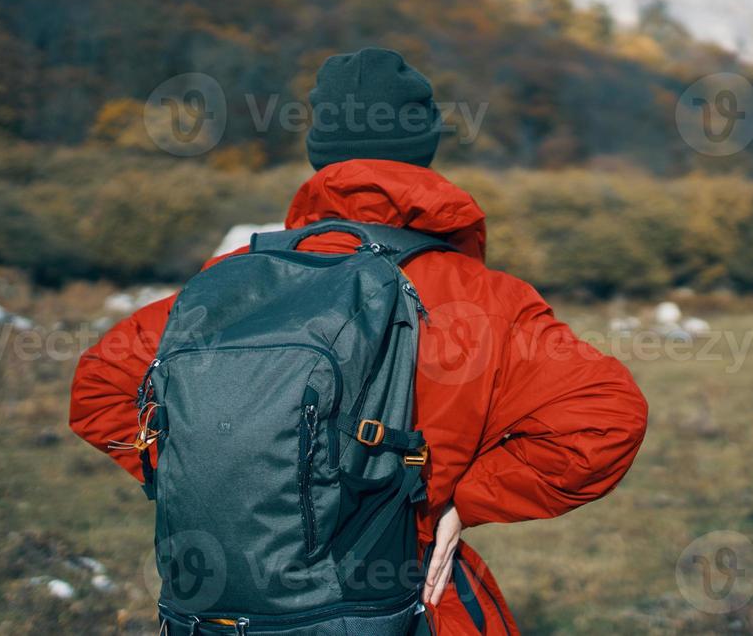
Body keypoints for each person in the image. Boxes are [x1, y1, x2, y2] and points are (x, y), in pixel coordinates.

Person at [70, 47, 649, 633]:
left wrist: (204, 474)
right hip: (396, 601)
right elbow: (603, 422)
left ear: (318, 155)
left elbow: (100, 385)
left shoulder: (230, 280)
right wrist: (462, 503)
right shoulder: (482, 298)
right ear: (426, 150)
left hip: (216, 611)